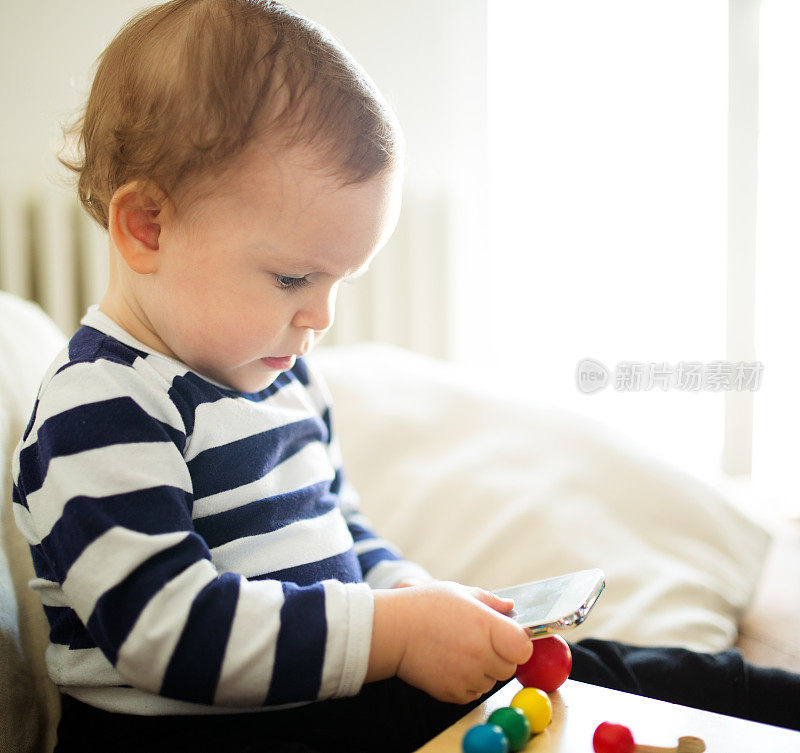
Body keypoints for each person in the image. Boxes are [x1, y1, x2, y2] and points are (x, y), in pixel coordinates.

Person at [11, 2, 800, 751]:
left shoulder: (280, 377)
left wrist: (428, 601)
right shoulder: (100, 403)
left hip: (333, 699)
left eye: (339, 283)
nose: (320, 317)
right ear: (147, 226)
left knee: (603, 675)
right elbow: (166, 631)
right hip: (195, 730)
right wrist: (395, 634)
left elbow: (344, 536)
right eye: (291, 279)